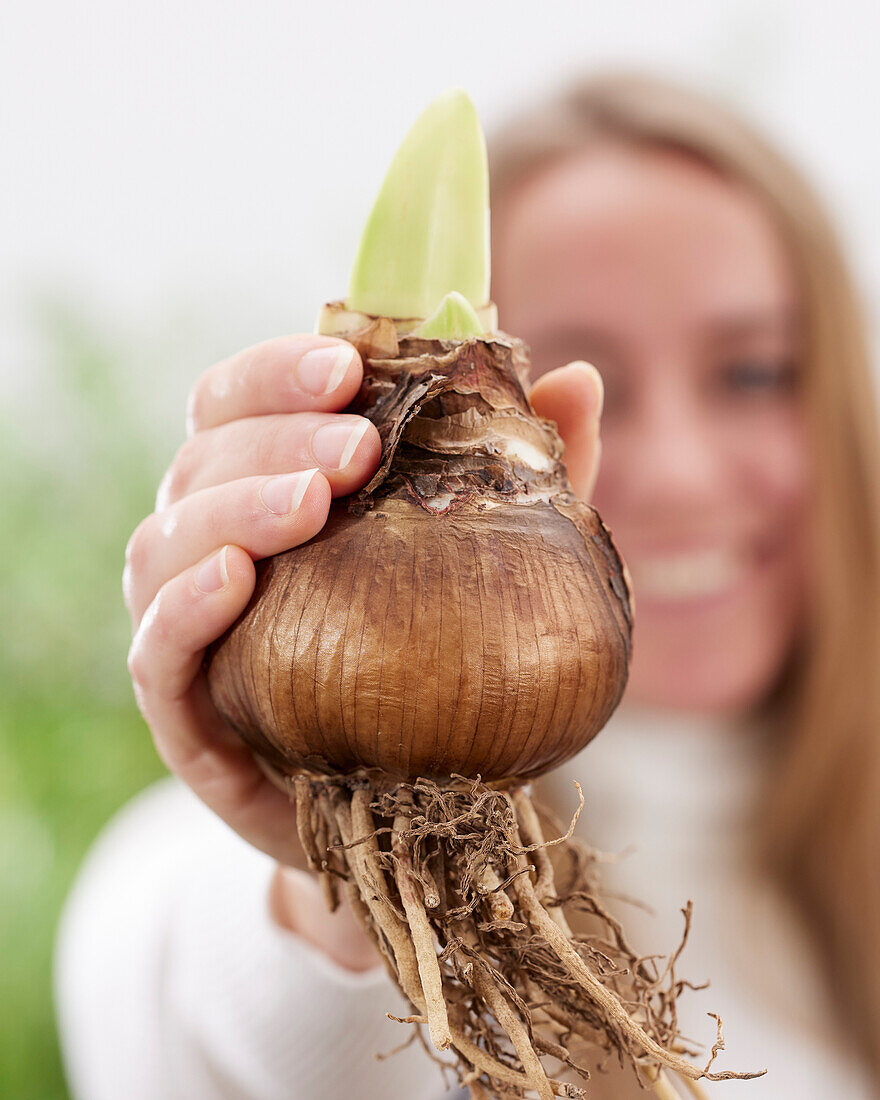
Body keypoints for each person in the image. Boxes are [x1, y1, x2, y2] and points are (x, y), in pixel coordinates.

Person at [55, 74, 880, 1099]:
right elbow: (180, 1003)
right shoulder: (193, 881)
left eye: (751, 372)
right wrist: (333, 880)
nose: (677, 469)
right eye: (595, 369)